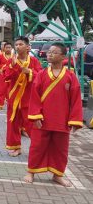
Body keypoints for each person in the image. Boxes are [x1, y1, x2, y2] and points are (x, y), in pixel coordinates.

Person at [24, 43, 83, 187]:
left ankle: (57, 175)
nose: (50, 54)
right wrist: (36, 115)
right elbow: (35, 96)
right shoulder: (42, 74)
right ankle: (31, 172)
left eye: (54, 52)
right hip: (43, 119)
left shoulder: (70, 76)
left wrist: (74, 121)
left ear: (63, 56)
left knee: (61, 150)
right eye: (49, 52)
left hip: (62, 120)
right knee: (37, 146)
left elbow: (76, 99)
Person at [5, 36, 42, 157]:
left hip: (29, 97)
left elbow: (40, 77)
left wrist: (29, 72)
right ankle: (16, 147)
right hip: (14, 96)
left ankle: (38, 147)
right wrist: (15, 66)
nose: (18, 47)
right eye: (16, 45)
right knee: (13, 123)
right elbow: (7, 76)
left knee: (30, 123)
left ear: (27, 47)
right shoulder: (11, 61)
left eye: (21, 44)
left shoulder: (34, 61)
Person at [0, 42, 13, 110]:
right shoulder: (0, 56)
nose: (8, 49)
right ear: (4, 48)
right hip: (2, 75)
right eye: (6, 47)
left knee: (11, 91)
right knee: (2, 90)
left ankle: (10, 105)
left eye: (9, 47)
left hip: (11, 75)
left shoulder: (14, 56)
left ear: (11, 48)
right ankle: (0, 105)